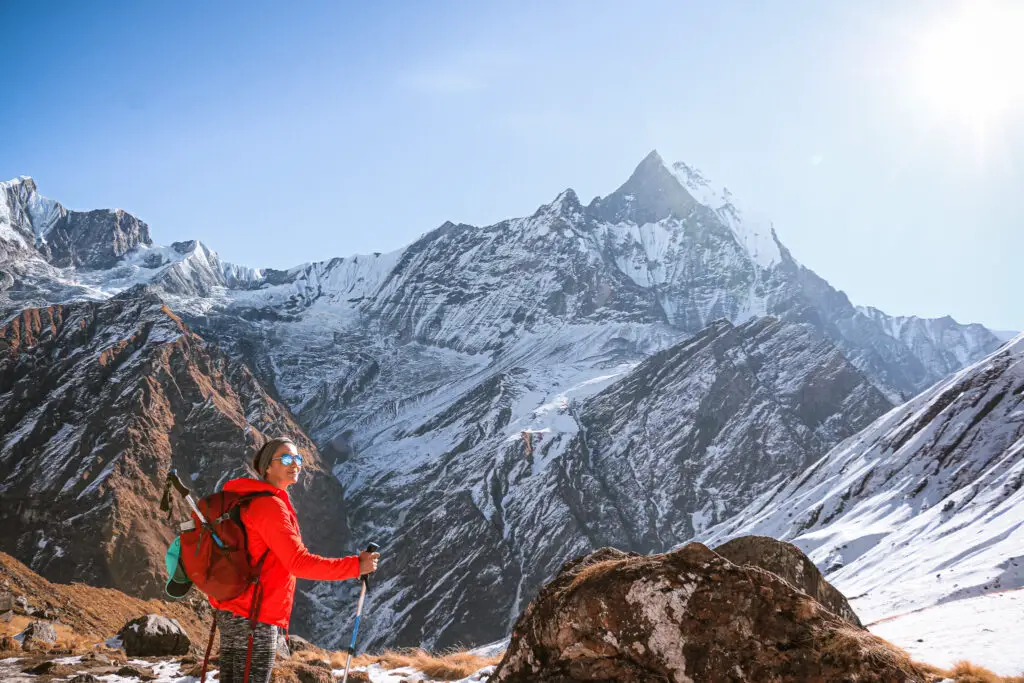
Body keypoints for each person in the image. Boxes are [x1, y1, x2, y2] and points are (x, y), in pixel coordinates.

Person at [209, 436, 379, 683]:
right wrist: (355, 566)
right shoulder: (270, 506)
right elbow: (298, 563)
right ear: (267, 467)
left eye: (298, 458)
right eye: (286, 459)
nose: (296, 464)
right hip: (254, 616)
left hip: (236, 609)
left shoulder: (249, 499)